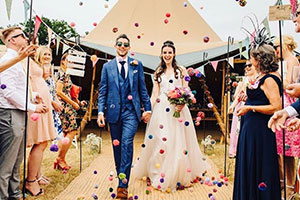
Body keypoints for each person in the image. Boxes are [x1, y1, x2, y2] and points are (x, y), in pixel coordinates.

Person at [133, 40, 209, 192]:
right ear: (161, 54)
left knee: (178, 142)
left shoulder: (181, 70)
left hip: (178, 110)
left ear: (174, 54)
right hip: (161, 110)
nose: (167, 55)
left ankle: (177, 174)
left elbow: (186, 89)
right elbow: (155, 94)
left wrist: (183, 102)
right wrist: (148, 109)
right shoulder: (157, 72)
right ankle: (159, 172)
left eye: (170, 52)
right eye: (165, 52)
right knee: (162, 140)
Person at [97, 34, 151, 199]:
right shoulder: (107, 67)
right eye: (119, 44)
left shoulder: (137, 65)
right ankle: (122, 173)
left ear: (129, 48)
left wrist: (147, 109)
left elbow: (142, 88)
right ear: (115, 46)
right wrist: (100, 111)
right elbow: (103, 91)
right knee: (117, 146)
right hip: (113, 112)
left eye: (125, 44)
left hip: (131, 113)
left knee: (127, 143)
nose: (122, 46)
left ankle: (122, 185)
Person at [0, 27, 48, 200]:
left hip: (18, 113)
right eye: (21, 35)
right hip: (10, 114)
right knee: (6, 163)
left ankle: (14, 194)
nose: (26, 37)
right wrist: (33, 107)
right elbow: (8, 92)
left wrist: (33, 95)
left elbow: (18, 88)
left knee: (17, 160)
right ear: (12, 40)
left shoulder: (16, 60)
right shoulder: (8, 60)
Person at [233, 41, 282, 199]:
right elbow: (262, 98)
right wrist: (248, 98)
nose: (250, 61)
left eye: (252, 58)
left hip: (260, 130)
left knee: (259, 164)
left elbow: (276, 106)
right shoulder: (262, 77)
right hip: (250, 128)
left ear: (260, 59)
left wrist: (250, 108)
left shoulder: (270, 79)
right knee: (250, 164)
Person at [25, 46, 58, 196]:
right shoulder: (28, 62)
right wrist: (36, 98)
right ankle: (30, 181)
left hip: (44, 104)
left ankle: (37, 176)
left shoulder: (40, 66)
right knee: (41, 141)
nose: (46, 56)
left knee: (43, 140)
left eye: (48, 54)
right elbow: (29, 83)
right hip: (38, 105)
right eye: (44, 53)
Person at [273, 35, 300, 196]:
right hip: (282, 104)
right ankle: (283, 182)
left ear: (285, 46)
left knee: (288, 149)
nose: (275, 50)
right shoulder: (282, 63)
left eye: (277, 46)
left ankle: (290, 186)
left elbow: (290, 85)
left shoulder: (292, 61)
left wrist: (275, 75)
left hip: (290, 105)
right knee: (280, 148)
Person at [54, 53, 85, 171]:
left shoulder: (66, 74)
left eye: (72, 62)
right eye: (69, 61)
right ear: (63, 61)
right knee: (71, 132)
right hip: (65, 108)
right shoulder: (62, 74)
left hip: (67, 107)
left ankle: (60, 159)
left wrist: (77, 101)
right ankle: (60, 159)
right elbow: (59, 92)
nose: (71, 63)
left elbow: (67, 92)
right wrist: (73, 104)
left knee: (67, 134)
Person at [228, 60, 258, 158]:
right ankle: (237, 150)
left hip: (253, 108)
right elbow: (239, 95)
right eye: (246, 66)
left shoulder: (260, 79)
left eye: (249, 65)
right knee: (238, 129)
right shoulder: (245, 80)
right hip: (242, 107)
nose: (247, 68)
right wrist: (232, 106)